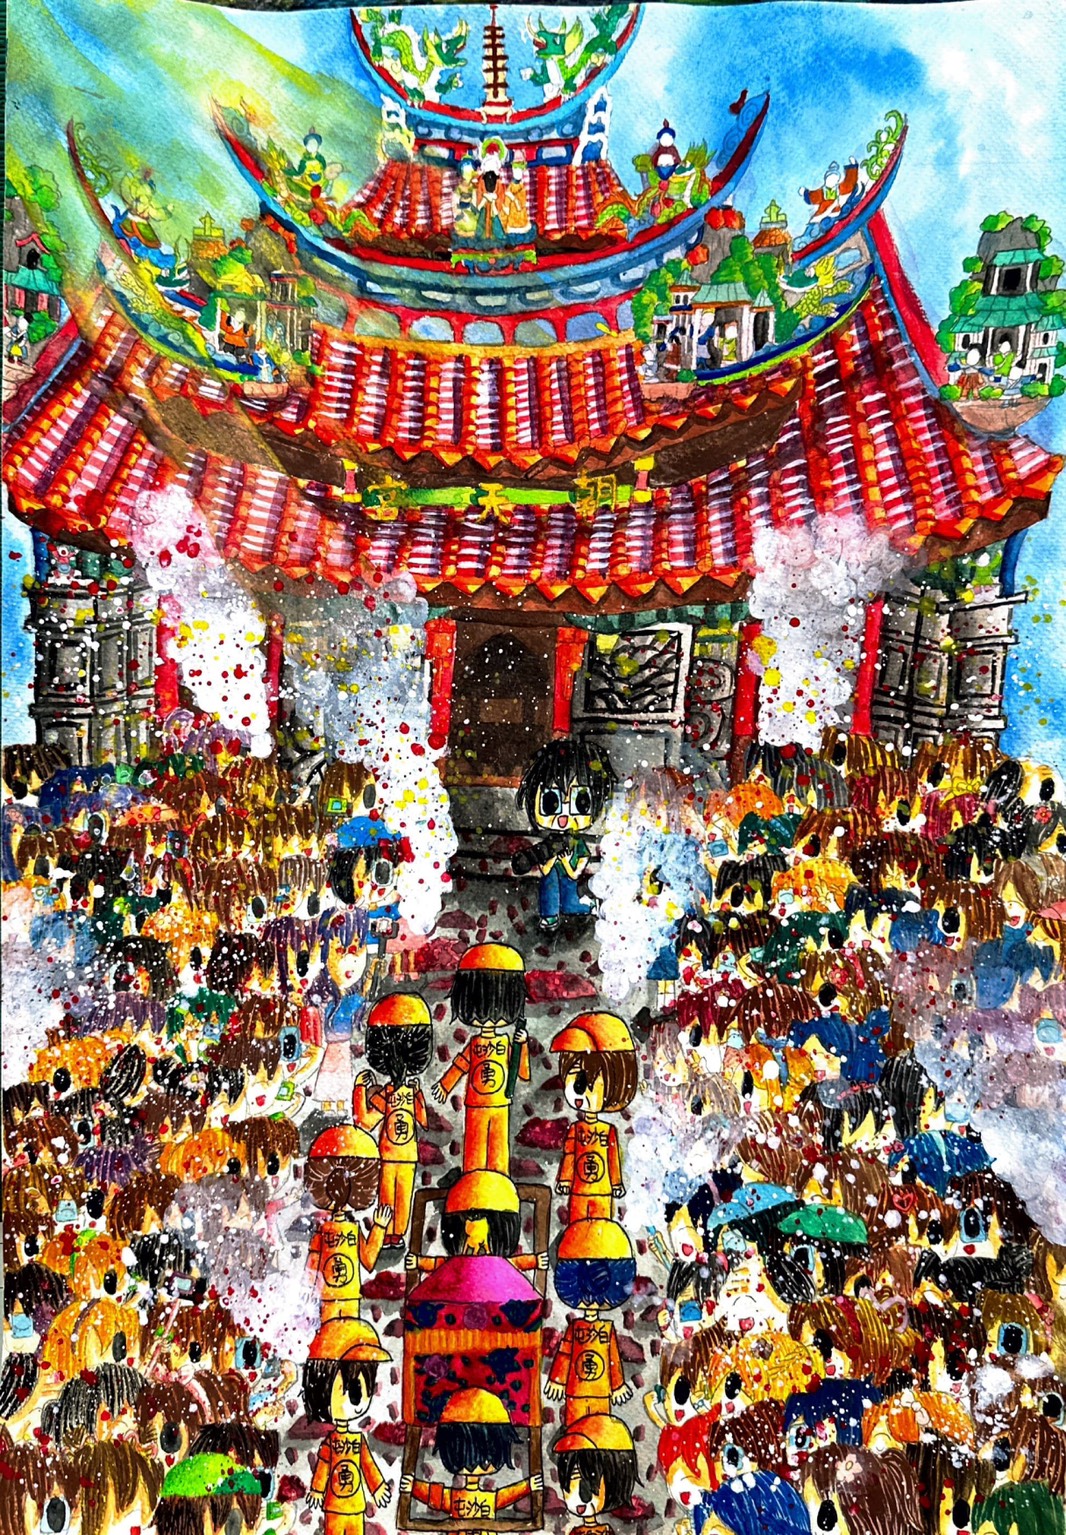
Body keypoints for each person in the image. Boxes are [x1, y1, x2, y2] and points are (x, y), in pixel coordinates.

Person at [432, 943, 529, 1173]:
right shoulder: (475, 1044)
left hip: (500, 1104)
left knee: (498, 1150)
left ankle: (499, 1183)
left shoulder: (506, 1043)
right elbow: (460, 1065)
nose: (488, 1018)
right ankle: (472, 1181)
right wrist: (445, 1085)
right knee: (474, 1150)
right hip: (475, 1104)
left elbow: (523, 1073)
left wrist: (523, 1045)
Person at [515, 736, 617, 934]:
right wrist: (552, 858)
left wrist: (567, 862)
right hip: (553, 882)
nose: (563, 817)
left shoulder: (576, 843)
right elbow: (545, 869)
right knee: (549, 884)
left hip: (570, 883)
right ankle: (549, 915)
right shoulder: (550, 842)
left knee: (570, 905)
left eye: (581, 803)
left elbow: (577, 869)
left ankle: (590, 906)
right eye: (550, 802)